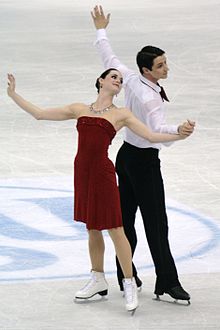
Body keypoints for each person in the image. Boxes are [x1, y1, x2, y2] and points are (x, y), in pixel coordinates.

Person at [7, 70, 190, 312]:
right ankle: (97, 278)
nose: (118, 80)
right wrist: (13, 94)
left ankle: (129, 282)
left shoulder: (121, 114)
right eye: (113, 77)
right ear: (101, 81)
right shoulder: (79, 108)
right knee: (92, 227)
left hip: (103, 173)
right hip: (82, 173)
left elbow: (150, 135)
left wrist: (179, 132)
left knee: (115, 227)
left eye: (121, 80)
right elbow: (40, 114)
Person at [91, 5, 195, 303]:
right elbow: (157, 128)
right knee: (155, 223)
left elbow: (107, 55)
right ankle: (167, 282)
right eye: (161, 66)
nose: (166, 68)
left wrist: (101, 29)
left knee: (124, 221)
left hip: (124, 158)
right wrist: (180, 130)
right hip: (144, 164)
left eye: (165, 63)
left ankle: (129, 276)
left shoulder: (131, 77)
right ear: (147, 70)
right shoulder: (150, 98)